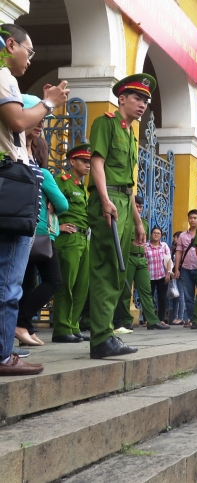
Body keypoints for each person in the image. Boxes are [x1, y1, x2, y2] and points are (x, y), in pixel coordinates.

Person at [0, 23, 69, 375]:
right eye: (29, 50)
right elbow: (17, 118)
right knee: (10, 282)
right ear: (10, 44)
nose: (30, 58)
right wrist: (47, 102)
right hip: (14, 203)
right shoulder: (4, 77)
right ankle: (2, 353)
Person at [87, 73, 157, 358]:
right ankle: (101, 338)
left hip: (125, 203)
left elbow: (130, 182)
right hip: (109, 199)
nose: (142, 104)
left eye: (145, 100)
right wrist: (104, 199)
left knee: (120, 268)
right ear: (122, 99)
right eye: (137, 98)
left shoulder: (129, 132)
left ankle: (106, 332)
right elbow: (97, 162)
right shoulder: (106, 123)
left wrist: (139, 222)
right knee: (106, 265)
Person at [17, 111, 68, 346]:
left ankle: (25, 328)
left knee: (27, 283)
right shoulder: (44, 174)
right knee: (53, 281)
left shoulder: (22, 169)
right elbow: (63, 204)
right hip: (41, 235)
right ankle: (22, 321)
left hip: (23, 230)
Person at [51, 142, 91, 342]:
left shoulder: (81, 186)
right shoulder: (62, 181)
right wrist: (57, 228)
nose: (88, 165)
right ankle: (61, 328)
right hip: (68, 239)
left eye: (89, 162)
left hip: (84, 238)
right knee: (66, 284)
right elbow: (48, 207)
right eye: (83, 161)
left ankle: (73, 325)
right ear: (72, 161)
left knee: (81, 285)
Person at [114, 195, 168, 332]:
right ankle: (126, 321)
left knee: (146, 290)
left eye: (140, 207)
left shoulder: (143, 223)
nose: (138, 209)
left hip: (142, 259)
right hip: (128, 257)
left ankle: (152, 320)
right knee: (126, 291)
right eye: (136, 206)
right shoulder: (125, 219)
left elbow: (146, 242)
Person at [146, 227, 172, 326]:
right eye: (154, 233)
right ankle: (147, 319)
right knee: (148, 298)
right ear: (151, 234)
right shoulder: (146, 246)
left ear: (161, 235)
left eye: (158, 233)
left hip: (162, 275)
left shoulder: (164, 246)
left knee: (162, 298)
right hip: (149, 275)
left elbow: (168, 260)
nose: (156, 235)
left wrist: (168, 273)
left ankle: (161, 319)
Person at [169, 231, 186, 325]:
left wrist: (177, 270)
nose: (174, 239)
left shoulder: (182, 249)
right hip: (173, 274)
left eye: (176, 237)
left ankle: (181, 317)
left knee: (180, 296)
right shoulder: (173, 249)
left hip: (180, 273)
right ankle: (174, 317)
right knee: (175, 296)